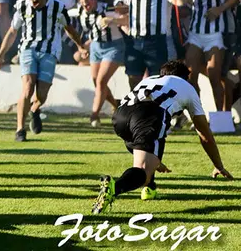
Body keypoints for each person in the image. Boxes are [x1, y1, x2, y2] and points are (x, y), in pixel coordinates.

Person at [92, 60, 233, 214]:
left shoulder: (150, 79)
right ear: (186, 77)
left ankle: (150, 187)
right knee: (142, 171)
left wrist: (155, 159)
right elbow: (204, 134)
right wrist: (218, 165)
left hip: (120, 116)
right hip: (148, 114)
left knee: (152, 149)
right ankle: (115, 187)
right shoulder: (188, 87)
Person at [0, 0, 87, 142]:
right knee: (27, 88)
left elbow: (68, 28)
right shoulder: (21, 5)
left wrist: (80, 46)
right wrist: (0, 56)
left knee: (42, 94)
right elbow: (12, 32)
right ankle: (20, 130)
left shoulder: (58, 7)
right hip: (28, 49)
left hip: (50, 51)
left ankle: (35, 109)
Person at [75, 0, 127, 127]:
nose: (85, 2)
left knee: (101, 81)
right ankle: (117, 105)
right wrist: (81, 46)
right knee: (96, 81)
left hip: (114, 46)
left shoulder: (107, 9)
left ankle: (94, 115)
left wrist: (112, 21)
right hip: (96, 46)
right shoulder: (79, 10)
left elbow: (127, 19)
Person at [185, 0, 229, 113]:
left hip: (214, 37)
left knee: (214, 76)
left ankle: (219, 115)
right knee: (190, 76)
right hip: (195, 36)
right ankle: (198, 113)